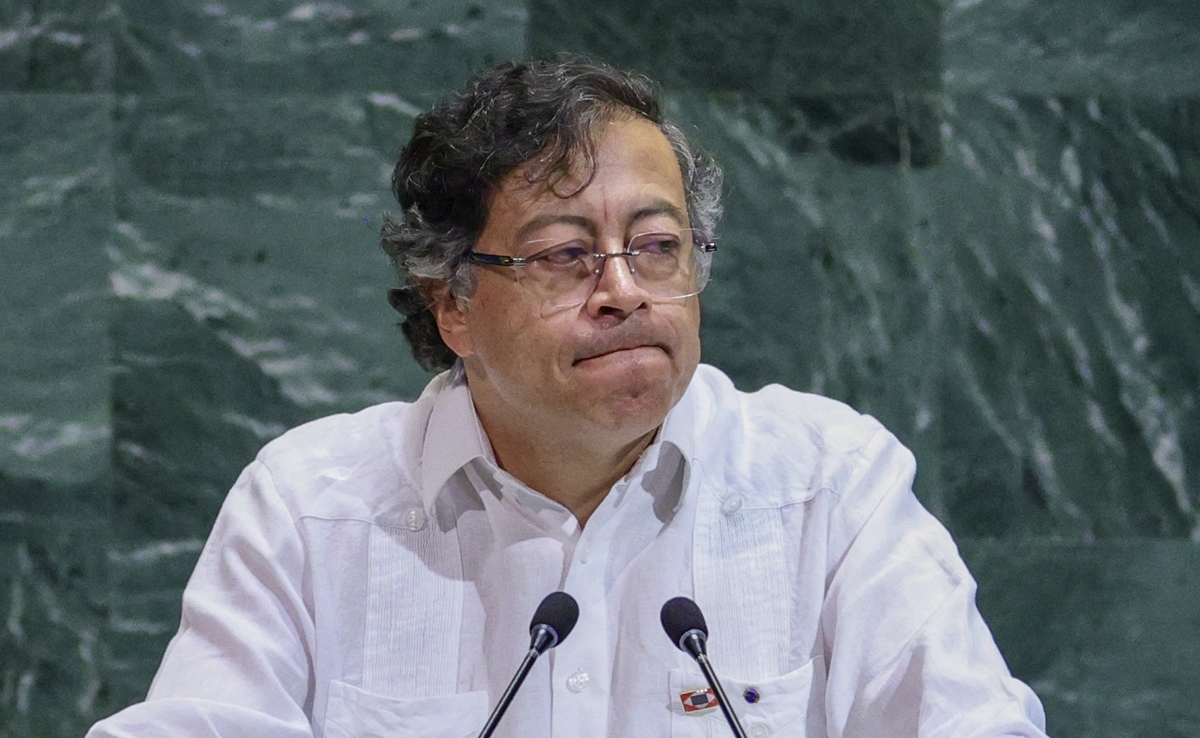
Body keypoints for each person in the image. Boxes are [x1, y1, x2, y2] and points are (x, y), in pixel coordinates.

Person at [86, 56, 1049, 738]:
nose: (625, 289)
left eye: (658, 246)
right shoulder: (310, 508)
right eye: (565, 256)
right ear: (452, 304)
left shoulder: (831, 486)